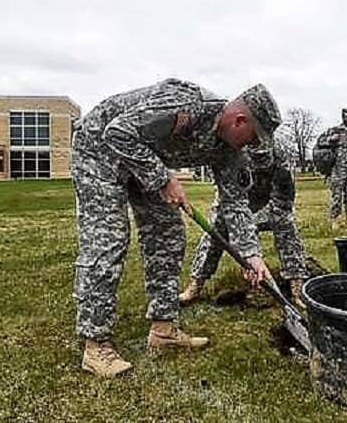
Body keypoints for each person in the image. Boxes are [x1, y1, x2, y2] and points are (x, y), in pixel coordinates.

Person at [71, 79, 280, 377]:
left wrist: (251, 255)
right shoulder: (187, 105)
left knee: (168, 236)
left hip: (144, 158)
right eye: (254, 137)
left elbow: (235, 203)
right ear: (240, 120)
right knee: (109, 240)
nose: (252, 145)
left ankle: (163, 329)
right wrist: (162, 178)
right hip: (100, 150)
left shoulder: (231, 151)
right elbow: (118, 132)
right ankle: (95, 345)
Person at [180, 133, 310, 310]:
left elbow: (283, 201)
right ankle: (195, 284)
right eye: (256, 158)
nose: (260, 165)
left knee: (287, 226)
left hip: (267, 206)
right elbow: (229, 199)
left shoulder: (282, 163)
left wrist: (269, 219)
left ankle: (296, 285)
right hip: (231, 202)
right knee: (214, 235)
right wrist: (246, 246)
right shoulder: (234, 157)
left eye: (264, 158)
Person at [317, 109, 347, 228]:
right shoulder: (335, 130)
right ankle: (335, 219)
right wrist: (331, 139)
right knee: (337, 195)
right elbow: (320, 142)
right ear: (343, 117)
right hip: (338, 168)